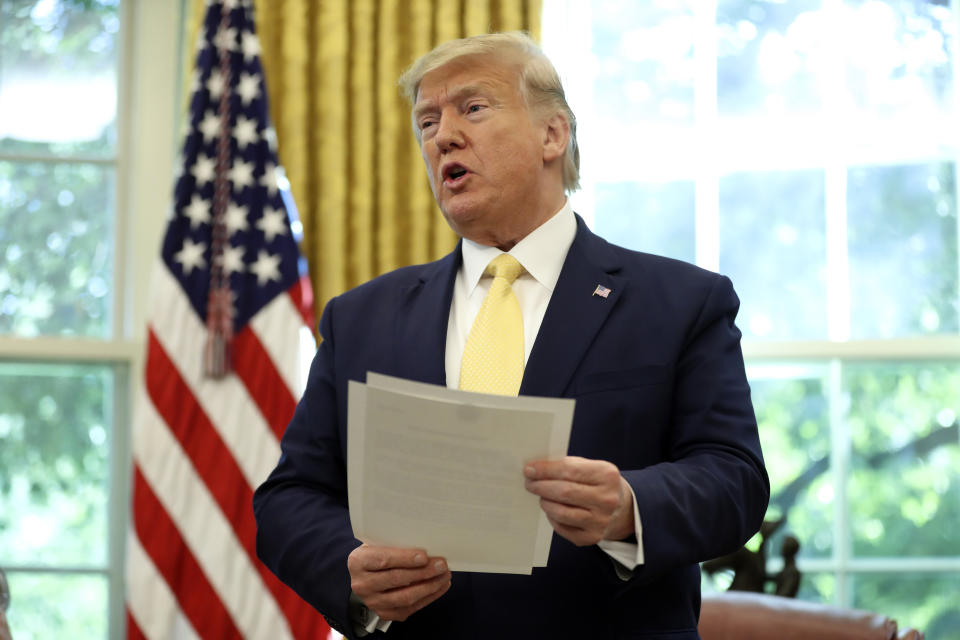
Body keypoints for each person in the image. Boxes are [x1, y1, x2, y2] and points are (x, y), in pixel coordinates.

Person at [254, 31, 769, 639]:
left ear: (553, 134)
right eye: (426, 121)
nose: (442, 135)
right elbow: (289, 498)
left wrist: (631, 504)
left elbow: (734, 477)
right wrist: (348, 568)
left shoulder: (680, 302)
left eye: (472, 108)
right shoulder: (361, 318)